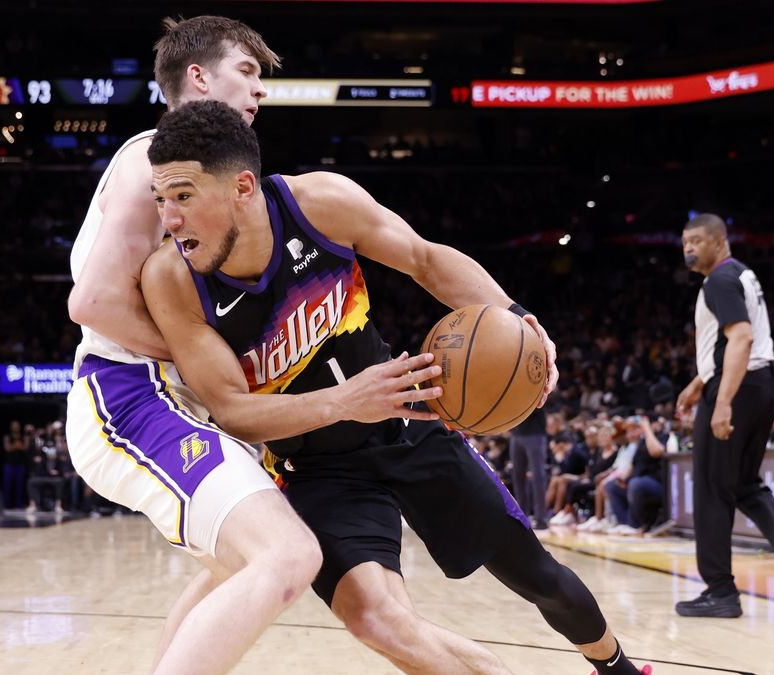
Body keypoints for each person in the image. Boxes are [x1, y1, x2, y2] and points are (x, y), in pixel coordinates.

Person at [142, 100, 651, 675]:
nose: (169, 219)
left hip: (406, 423)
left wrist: (517, 318)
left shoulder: (319, 203)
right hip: (315, 468)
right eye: (160, 200)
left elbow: (424, 260)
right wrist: (343, 401)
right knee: (375, 619)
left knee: (538, 576)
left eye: (183, 196)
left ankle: (618, 668)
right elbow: (231, 409)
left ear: (241, 186)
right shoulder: (171, 278)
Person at [62, 16, 322, 675]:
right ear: (199, 77)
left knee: (237, 562)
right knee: (287, 555)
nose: (259, 91)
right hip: (126, 390)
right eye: (248, 72)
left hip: (164, 396)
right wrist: (206, 365)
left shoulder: (197, 171)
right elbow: (91, 301)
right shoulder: (151, 155)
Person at [675, 213, 774, 618]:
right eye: (684, 243)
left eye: (696, 240)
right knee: (742, 483)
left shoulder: (719, 280)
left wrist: (722, 399)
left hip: (741, 386)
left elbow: (742, 337)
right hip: (763, 381)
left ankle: (720, 592)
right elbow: (744, 341)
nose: (689, 249)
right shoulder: (740, 273)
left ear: (718, 241)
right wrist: (701, 381)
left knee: (713, 489)